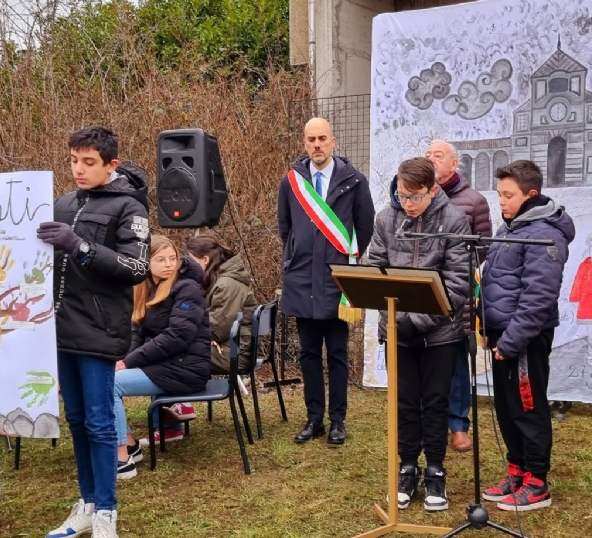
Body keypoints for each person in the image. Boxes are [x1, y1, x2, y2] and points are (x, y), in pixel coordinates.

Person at [39, 126, 150, 538]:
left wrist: (80, 247)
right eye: (73, 160)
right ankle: (85, 503)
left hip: (100, 330)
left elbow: (136, 266)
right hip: (56, 329)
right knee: (79, 421)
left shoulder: (130, 207)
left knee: (102, 424)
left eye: (89, 162)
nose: (79, 169)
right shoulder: (62, 204)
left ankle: (107, 512)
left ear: (110, 165)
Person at [367, 157, 470, 511]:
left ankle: (436, 471)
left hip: (440, 334)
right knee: (405, 402)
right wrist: (396, 319)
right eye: (402, 195)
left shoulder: (454, 221)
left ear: (433, 189)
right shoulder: (385, 219)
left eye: (416, 197)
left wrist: (419, 320)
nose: (408, 204)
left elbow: (457, 284)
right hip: (396, 330)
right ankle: (407, 467)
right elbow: (374, 272)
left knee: (435, 402)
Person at [479, 160, 574, 512]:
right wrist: (487, 326)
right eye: (499, 194)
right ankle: (515, 470)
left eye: (508, 195)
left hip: (525, 338)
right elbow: (493, 282)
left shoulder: (543, 234)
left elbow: (538, 296)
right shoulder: (509, 228)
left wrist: (511, 341)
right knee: (506, 407)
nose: (500, 202)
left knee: (527, 406)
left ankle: (537, 481)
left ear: (531, 195)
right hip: (502, 335)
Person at [277, 117, 375, 447]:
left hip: (338, 280)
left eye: (322, 138)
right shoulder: (291, 182)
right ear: (304, 143)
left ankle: (338, 421)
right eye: (311, 139)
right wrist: (295, 256)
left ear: (333, 142)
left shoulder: (354, 181)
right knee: (308, 354)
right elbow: (285, 228)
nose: (317, 144)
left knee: (336, 353)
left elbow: (365, 227)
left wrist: (348, 260)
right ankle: (313, 418)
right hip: (302, 279)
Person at [111, 235, 212, 479]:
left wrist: (129, 363)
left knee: (109, 385)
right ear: (146, 263)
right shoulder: (147, 287)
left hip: (186, 368)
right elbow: (138, 332)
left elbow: (177, 337)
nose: (168, 264)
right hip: (165, 365)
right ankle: (131, 445)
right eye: (160, 259)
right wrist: (122, 361)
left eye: (172, 258)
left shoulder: (186, 288)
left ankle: (122, 458)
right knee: (109, 374)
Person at [424, 139, 492, 452]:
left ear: (454, 164)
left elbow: (484, 247)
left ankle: (458, 425)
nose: (431, 160)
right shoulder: (418, 197)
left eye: (438, 156)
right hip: (422, 289)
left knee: (455, 363)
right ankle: (428, 423)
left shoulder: (474, 201)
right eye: (427, 155)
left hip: (456, 292)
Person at [186, 234, 258, 375]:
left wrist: (189, 335)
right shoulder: (222, 279)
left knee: (172, 352)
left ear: (205, 260)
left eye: (191, 261)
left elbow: (217, 330)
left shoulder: (226, 285)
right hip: (230, 347)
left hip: (233, 353)